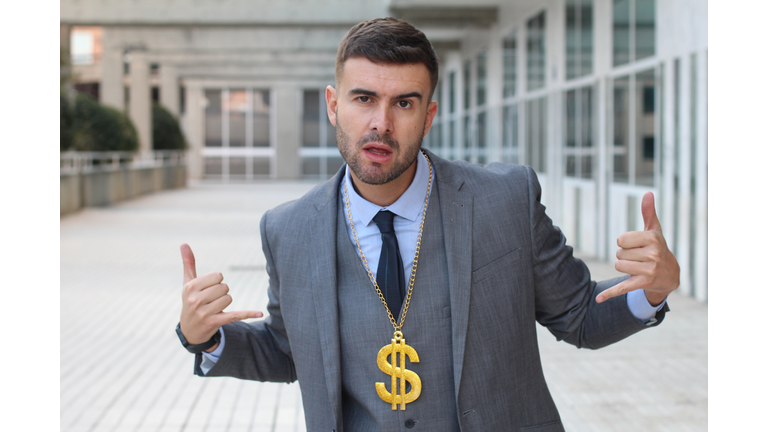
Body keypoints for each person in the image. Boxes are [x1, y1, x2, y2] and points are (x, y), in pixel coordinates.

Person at [175, 17, 679, 432]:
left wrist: (651, 290)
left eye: (404, 103)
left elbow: (579, 317)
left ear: (430, 114)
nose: (381, 123)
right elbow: (290, 352)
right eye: (364, 98)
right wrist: (205, 338)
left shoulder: (505, 200)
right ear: (334, 105)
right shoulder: (289, 230)